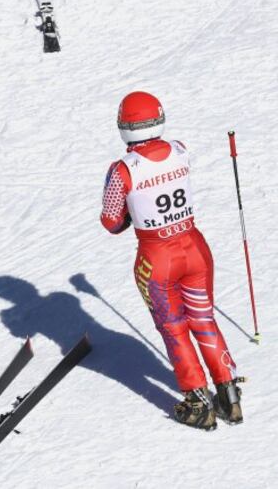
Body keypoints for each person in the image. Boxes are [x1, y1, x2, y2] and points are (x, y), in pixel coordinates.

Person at [100, 91, 244, 430]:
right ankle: (228, 392)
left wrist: (128, 217)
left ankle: (198, 401)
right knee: (203, 318)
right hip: (194, 248)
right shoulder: (180, 150)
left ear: (124, 127)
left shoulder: (122, 170)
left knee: (173, 327)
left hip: (156, 257)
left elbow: (110, 220)